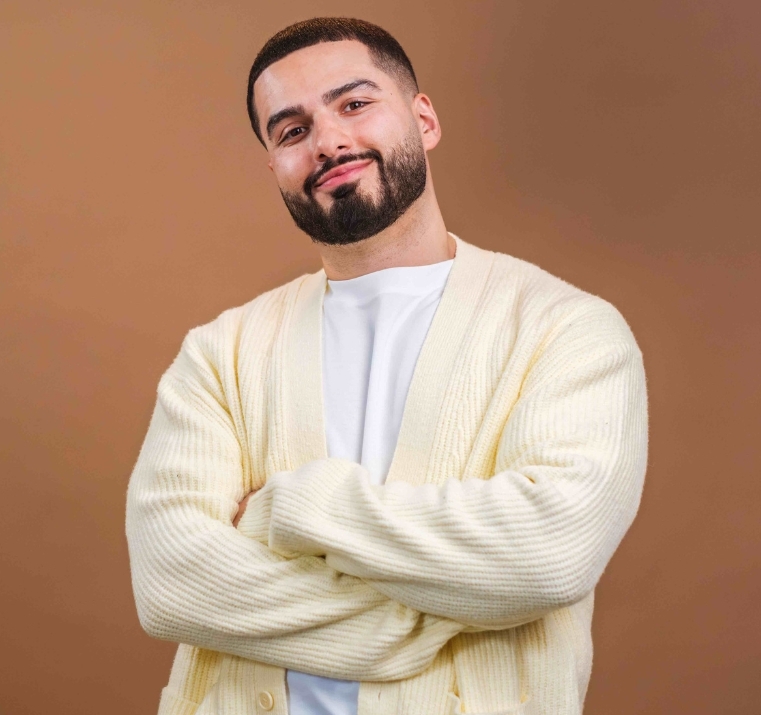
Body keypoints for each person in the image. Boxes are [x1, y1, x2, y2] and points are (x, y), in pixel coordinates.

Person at [125, 17, 648, 715]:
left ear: (423, 117)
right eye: (291, 130)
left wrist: (288, 508)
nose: (329, 141)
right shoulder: (220, 354)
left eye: (355, 103)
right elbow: (171, 582)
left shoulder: (567, 330)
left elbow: (548, 552)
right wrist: (419, 621)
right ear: (274, 165)